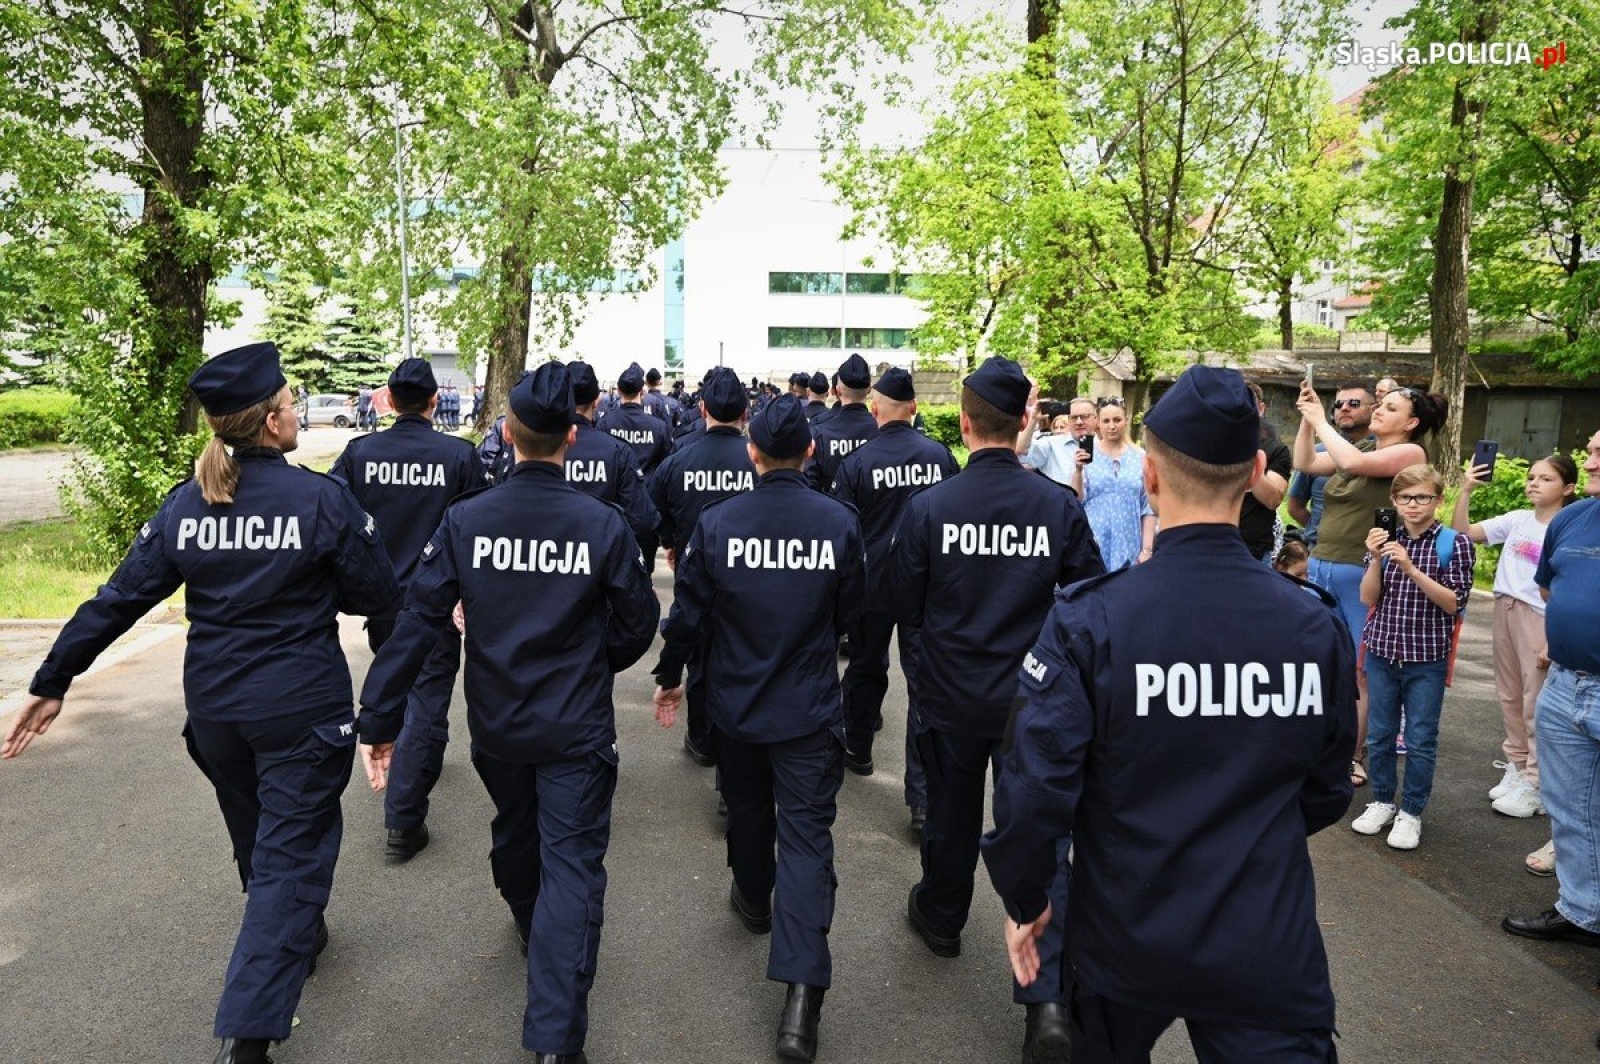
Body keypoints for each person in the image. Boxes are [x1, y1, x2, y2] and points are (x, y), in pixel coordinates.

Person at [3, 342, 401, 1064]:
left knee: (261, 841)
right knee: (287, 864)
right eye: (289, 402)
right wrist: (317, 590)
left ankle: (297, 935)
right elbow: (378, 595)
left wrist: (53, 679)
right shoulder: (318, 499)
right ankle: (247, 1038)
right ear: (272, 422)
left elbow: (120, 597)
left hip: (217, 714)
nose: (296, 411)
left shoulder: (189, 503)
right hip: (299, 713)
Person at [981, 364, 1357, 1064]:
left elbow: (1034, 787)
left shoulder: (1093, 619)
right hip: (1263, 937)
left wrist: (1027, 896)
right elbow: (1327, 786)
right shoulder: (1311, 626)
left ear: (1150, 476)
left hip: (1126, 929)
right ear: (1253, 473)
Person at [358, 362, 658, 1064]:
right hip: (573, 723)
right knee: (559, 864)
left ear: (508, 434)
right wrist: (592, 661)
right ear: (572, 439)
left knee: (540, 851)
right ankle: (547, 949)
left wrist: (378, 717)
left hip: (500, 721)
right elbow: (638, 623)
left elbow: (419, 623)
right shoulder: (601, 523)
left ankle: (554, 1035)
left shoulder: (467, 521)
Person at [883, 355, 1104, 1059]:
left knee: (948, 815)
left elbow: (902, 605)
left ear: (968, 423)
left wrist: (928, 667)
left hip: (951, 696)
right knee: (1039, 836)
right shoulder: (1056, 506)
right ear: (1020, 427)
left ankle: (943, 917)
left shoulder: (933, 506)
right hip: (1032, 702)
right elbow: (1089, 605)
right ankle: (1046, 1003)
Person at [651, 394, 866, 1064]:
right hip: (805, 708)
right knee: (806, 841)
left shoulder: (719, 524)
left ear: (752, 453)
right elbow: (854, 612)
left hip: (738, 707)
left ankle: (751, 895)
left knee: (747, 815)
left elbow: (689, 614)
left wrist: (669, 673)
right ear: (809, 452)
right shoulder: (837, 522)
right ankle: (801, 994)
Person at [329, 358, 485, 862]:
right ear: (434, 401)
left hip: (382, 599)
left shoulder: (360, 454)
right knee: (427, 697)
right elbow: (478, 527)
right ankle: (404, 817)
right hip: (436, 597)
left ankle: (414, 761)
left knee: (397, 680)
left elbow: (337, 521)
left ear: (390, 401)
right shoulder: (459, 456)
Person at [1294, 380, 1447, 788]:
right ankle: (1321, 746)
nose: (1378, 410)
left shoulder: (1410, 453)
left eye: (1390, 408)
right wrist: (1310, 420)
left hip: (1362, 573)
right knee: (1325, 662)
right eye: (1380, 405)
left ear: (1411, 422)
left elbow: (1354, 467)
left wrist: (1319, 420)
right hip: (1323, 564)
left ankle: (1352, 756)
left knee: (1361, 672)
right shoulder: (1360, 448)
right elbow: (1307, 463)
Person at [829, 366, 960, 832]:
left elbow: (843, 530)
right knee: (924, 686)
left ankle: (858, 747)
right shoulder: (940, 457)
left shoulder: (859, 462)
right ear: (916, 410)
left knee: (864, 668)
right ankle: (921, 799)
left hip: (874, 585)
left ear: (877, 410)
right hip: (926, 587)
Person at [1501, 430, 1600, 964]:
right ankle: (1584, 911)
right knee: (1571, 808)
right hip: (1566, 685)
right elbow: (1548, 589)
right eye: (1591, 449)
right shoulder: (1573, 517)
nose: (1590, 459)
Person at [1349, 464, 1475, 850]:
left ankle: (1411, 812)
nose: (1413, 505)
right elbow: (1368, 598)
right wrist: (1375, 558)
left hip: (1426, 658)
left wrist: (1410, 566)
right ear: (1394, 502)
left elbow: (1454, 603)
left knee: (1420, 738)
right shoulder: (1386, 539)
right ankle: (1383, 801)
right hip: (1384, 650)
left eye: (1422, 497)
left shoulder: (1455, 543)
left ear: (1438, 500)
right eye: (1405, 498)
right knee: (1381, 734)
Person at [1451, 452, 1580, 819]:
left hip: (1540, 617)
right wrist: (1465, 491)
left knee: (1535, 700)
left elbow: (1567, 586)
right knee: (1509, 694)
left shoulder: (1566, 527)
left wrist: (1553, 636)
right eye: (1532, 476)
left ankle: (1537, 783)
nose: (1534, 483)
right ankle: (1518, 765)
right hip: (1504, 609)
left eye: (1546, 478)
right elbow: (1465, 533)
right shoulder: (1518, 520)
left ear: (1568, 488)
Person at [647, 366, 758, 768]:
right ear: (746, 411)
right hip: (752, 574)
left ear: (703, 407)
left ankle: (702, 735)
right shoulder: (757, 461)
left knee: (697, 648)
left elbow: (651, 510)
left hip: (695, 571)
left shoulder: (680, 459)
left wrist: (671, 543)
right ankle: (734, 740)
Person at [564, 360, 660, 548]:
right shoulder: (616, 450)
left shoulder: (542, 447)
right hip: (604, 551)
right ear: (596, 401)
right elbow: (642, 520)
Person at [1286, 381, 1375, 546]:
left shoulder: (1384, 450)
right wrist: (1322, 532)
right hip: (1319, 551)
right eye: (1338, 404)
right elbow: (1294, 506)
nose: (1345, 408)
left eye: (1354, 403)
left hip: (1367, 553)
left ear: (1374, 408)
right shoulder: (1318, 451)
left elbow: (1350, 461)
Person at [1072, 396, 1155, 570]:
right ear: (1098, 423)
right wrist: (1078, 471)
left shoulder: (1139, 457)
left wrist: (1146, 550)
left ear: (1126, 421)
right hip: (1094, 546)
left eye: (1117, 420)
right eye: (1106, 420)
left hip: (1130, 547)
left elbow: (1148, 507)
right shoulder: (1087, 456)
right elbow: (1076, 500)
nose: (1111, 426)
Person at [806, 354, 878, 491]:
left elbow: (809, 483)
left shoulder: (819, 431)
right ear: (869, 389)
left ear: (837, 390)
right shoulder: (881, 429)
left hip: (828, 509)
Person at [1240, 380, 1292, 561]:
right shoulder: (1209, 446)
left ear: (1261, 409)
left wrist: (1249, 455)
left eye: (1248, 405)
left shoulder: (1277, 450)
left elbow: (1272, 500)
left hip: (1253, 552)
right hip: (1211, 546)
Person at [1017, 396, 1096, 487]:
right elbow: (1020, 449)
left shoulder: (1105, 447)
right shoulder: (1051, 444)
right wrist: (1033, 420)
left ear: (1096, 418)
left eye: (1084, 417)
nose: (1079, 422)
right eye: (1074, 417)